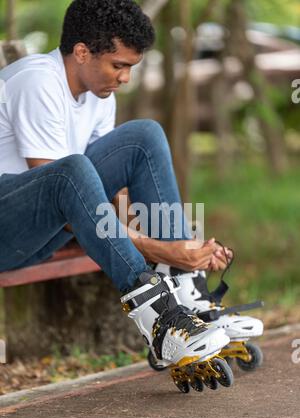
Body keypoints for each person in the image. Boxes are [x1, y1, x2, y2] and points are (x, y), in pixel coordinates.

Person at [0, 0, 234, 386]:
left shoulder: (97, 90)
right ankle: (163, 322)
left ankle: (185, 293)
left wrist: (185, 247)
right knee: (72, 169)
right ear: (81, 52)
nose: (124, 78)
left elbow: (101, 196)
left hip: (43, 230)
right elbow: (69, 193)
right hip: (10, 232)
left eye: (129, 67)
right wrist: (155, 248)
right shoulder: (37, 81)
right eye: (118, 65)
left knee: (144, 136)